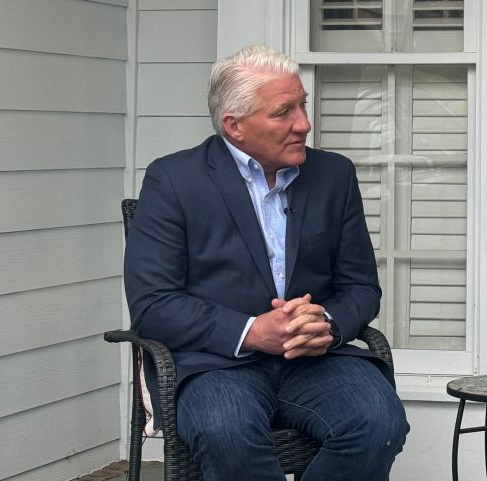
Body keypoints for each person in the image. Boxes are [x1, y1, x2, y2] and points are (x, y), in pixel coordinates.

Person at [124, 45, 408, 480]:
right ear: (234, 126)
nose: (304, 124)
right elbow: (153, 304)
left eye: (303, 106)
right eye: (284, 112)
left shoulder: (333, 175)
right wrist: (253, 331)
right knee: (228, 431)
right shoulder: (174, 180)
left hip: (317, 360)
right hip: (215, 362)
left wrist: (327, 325)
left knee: (379, 423)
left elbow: (362, 287)